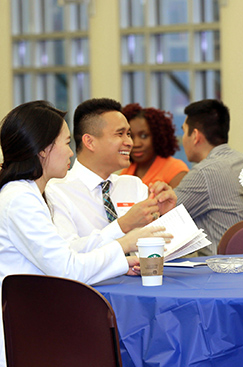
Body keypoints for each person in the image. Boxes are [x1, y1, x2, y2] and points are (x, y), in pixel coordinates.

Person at [0, 101, 170, 367]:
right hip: (31, 326)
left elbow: (69, 251)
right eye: (66, 143)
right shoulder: (20, 198)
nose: (71, 152)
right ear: (43, 150)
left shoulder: (32, 194)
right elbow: (67, 270)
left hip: (40, 315)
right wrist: (123, 243)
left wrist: (121, 254)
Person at [45, 98, 177, 247]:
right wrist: (122, 226)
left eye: (128, 134)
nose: (130, 142)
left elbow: (163, 248)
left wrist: (166, 216)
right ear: (90, 142)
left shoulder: (133, 185)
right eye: (119, 134)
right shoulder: (56, 191)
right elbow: (67, 253)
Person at [174, 99, 243, 255]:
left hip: (219, 269)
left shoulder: (203, 173)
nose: (183, 139)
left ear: (195, 136)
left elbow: (164, 217)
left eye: (184, 131)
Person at [120, 103, 189, 188]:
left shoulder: (175, 170)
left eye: (144, 136)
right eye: (131, 136)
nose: (136, 144)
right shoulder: (127, 171)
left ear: (157, 137)